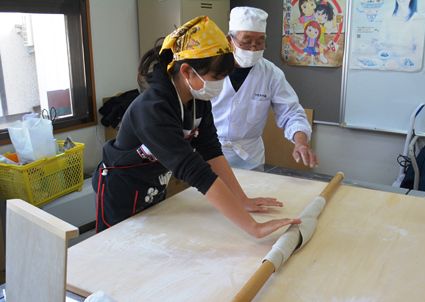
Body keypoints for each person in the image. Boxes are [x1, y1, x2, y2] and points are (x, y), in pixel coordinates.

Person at [93, 16, 300, 237]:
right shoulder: (153, 109)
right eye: (216, 77)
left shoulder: (197, 99)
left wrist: (242, 200)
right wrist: (253, 227)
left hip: (153, 185)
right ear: (187, 72)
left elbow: (210, 150)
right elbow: (196, 171)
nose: (220, 84)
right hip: (121, 191)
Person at [211, 7, 318, 170]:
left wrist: (301, 143)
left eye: (260, 41)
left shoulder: (271, 74)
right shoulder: (210, 68)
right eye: (246, 41)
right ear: (229, 40)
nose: (253, 48)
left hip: (249, 157)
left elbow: (291, 112)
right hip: (210, 153)